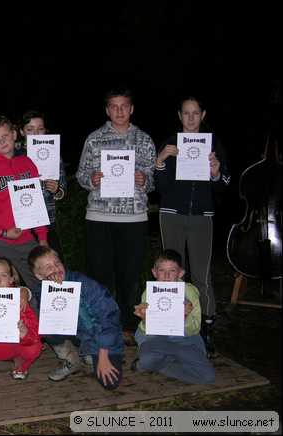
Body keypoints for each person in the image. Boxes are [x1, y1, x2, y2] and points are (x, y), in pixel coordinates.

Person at [76, 86, 156, 345]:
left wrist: (144, 180)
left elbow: (152, 179)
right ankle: (101, 326)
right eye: (114, 106)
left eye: (124, 106)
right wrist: (91, 179)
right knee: (99, 277)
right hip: (99, 217)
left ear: (131, 109)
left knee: (129, 277)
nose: (119, 111)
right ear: (107, 110)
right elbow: (81, 175)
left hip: (134, 218)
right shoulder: (94, 139)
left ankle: (127, 326)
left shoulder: (144, 140)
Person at [155, 95, 230, 357]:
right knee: (171, 273)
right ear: (179, 116)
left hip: (202, 217)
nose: (190, 118)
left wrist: (216, 173)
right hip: (171, 215)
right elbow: (159, 187)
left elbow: (225, 185)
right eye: (185, 113)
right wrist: (160, 160)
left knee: (202, 274)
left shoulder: (213, 145)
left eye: (195, 113)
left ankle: (206, 328)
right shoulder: (170, 143)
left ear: (203, 115)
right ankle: (170, 325)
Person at [28, 246, 125, 390]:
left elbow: (109, 317)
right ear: (39, 276)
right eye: (48, 267)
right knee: (43, 322)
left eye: (57, 263)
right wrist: (56, 292)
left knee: (110, 383)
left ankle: (92, 353)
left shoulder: (85, 284)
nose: (56, 269)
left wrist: (103, 354)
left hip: (98, 336)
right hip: (77, 334)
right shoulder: (42, 290)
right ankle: (71, 359)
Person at [0, 115, 48, 291]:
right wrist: (3, 232)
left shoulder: (27, 164)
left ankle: (35, 310)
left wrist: (42, 237)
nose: (2, 141)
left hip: (27, 239)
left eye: (5, 136)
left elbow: (36, 203)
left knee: (42, 285)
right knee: (1, 290)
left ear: (14, 134)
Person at [132, 249, 215, 384]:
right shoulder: (149, 291)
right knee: (148, 360)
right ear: (154, 272)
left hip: (183, 340)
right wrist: (145, 319)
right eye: (162, 270)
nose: (166, 276)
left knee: (207, 377)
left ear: (180, 273)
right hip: (157, 340)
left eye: (172, 271)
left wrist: (185, 316)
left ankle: (164, 362)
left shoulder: (190, 292)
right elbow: (147, 331)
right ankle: (166, 360)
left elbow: (195, 328)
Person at [16, 110, 68, 258]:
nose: (36, 134)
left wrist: (57, 189)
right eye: (30, 129)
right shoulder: (13, 155)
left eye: (40, 129)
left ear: (45, 131)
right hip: (20, 225)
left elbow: (63, 191)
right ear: (22, 132)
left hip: (47, 220)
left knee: (53, 264)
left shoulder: (53, 154)